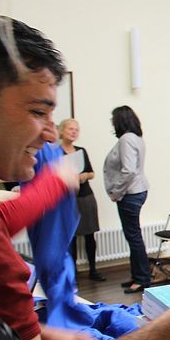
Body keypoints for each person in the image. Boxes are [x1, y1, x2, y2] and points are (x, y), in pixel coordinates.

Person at [0, 15, 170, 340]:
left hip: (127, 196)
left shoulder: (124, 142)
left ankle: (139, 276)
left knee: (131, 240)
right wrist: (162, 330)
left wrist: (35, 337)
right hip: (125, 196)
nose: (50, 135)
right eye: (38, 111)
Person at [104, 105, 150, 294]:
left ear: (120, 121)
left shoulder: (126, 139)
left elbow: (129, 170)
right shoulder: (136, 138)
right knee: (133, 236)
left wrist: (116, 192)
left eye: (114, 120)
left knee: (134, 237)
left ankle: (142, 279)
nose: (112, 123)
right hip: (137, 191)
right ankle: (137, 275)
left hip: (130, 193)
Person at [58, 118, 104, 281]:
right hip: (67, 199)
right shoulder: (55, 152)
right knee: (70, 237)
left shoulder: (81, 150)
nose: (74, 132)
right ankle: (73, 272)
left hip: (85, 197)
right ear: (62, 131)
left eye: (76, 129)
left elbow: (92, 172)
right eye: (70, 129)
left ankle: (93, 270)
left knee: (89, 235)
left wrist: (84, 175)